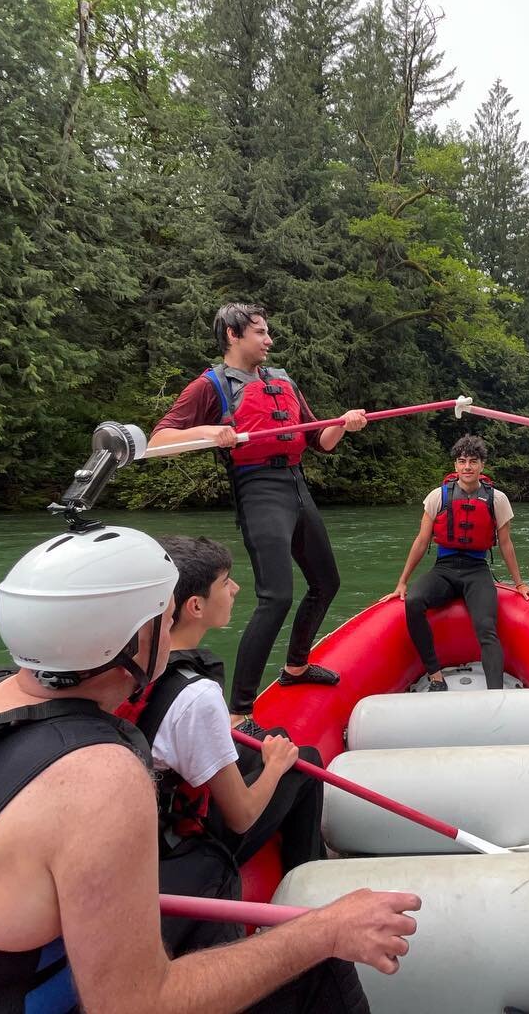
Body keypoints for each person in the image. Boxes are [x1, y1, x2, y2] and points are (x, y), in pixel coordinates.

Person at [0, 525, 418, 1013]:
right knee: (316, 966)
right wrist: (326, 929)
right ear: (135, 640)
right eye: (163, 618)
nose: (171, 630)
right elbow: (136, 1004)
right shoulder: (99, 777)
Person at [149, 303, 368, 738]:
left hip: (295, 484)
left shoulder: (283, 380)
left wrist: (344, 424)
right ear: (232, 335)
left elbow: (319, 440)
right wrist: (208, 432)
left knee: (326, 581)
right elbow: (159, 441)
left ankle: (296, 666)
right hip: (257, 487)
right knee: (277, 596)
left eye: (268, 333)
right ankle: (237, 711)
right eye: (260, 333)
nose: (269, 340)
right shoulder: (209, 386)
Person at [115, 534, 329, 956]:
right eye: (225, 582)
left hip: (145, 814)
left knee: (273, 738)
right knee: (302, 760)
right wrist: (275, 767)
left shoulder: (125, 659)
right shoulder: (196, 695)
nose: (235, 589)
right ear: (195, 606)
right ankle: (310, 883)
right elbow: (242, 817)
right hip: (180, 845)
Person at [384, 434, 529, 690]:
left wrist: (520, 583)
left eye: (473, 461)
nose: (467, 467)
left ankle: (495, 694)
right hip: (444, 569)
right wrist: (402, 582)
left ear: (482, 465)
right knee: (413, 602)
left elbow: (506, 544)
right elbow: (422, 540)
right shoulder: (438, 496)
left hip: (476, 571)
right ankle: (435, 676)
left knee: (486, 627)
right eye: (462, 461)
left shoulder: (497, 499)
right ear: (455, 465)